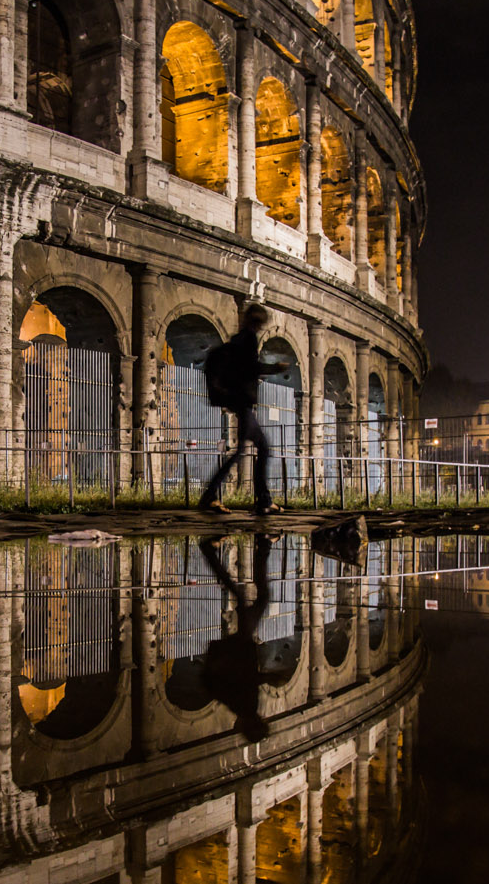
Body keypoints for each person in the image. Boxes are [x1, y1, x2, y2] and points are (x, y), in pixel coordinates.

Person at [199, 303, 289, 515]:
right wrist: (274, 368)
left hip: (240, 402)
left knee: (254, 449)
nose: (259, 326)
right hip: (243, 402)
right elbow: (251, 368)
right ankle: (216, 496)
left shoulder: (238, 338)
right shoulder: (248, 339)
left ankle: (260, 500)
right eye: (260, 322)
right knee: (253, 450)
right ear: (257, 322)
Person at [198, 533, 278, 741]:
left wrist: (267, 678)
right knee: (252, 599)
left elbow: (245, 681)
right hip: (238, 646)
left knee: (256, 598)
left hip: (240, 645)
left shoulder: (246, 707)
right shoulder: (242, 709)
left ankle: (262, 545)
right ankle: (261, 546)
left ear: (256, 724)